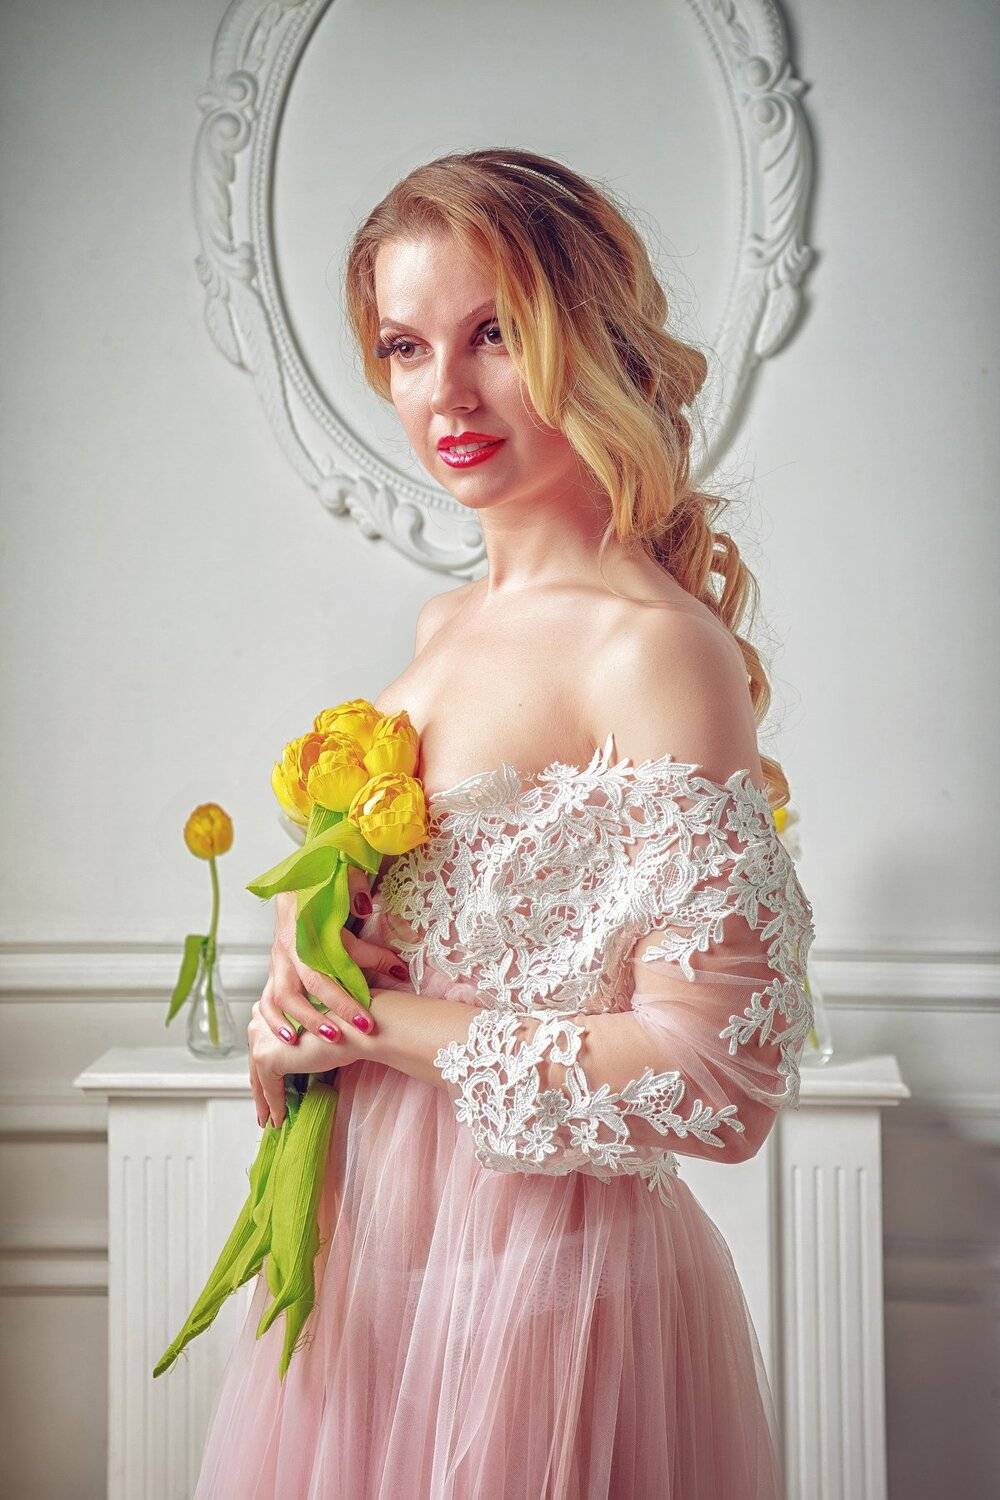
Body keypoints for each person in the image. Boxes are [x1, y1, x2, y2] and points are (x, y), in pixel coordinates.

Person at [194, 148, 816, 1500]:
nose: (447, 397)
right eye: (405, 348)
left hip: (546, 1303)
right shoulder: (443, 628)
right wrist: (299, 995)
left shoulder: (654, 650)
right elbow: (427, 955)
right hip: (377, 1273)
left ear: (592, 341)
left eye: (494, 334)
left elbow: (719, 1080)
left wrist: (378, 1025)